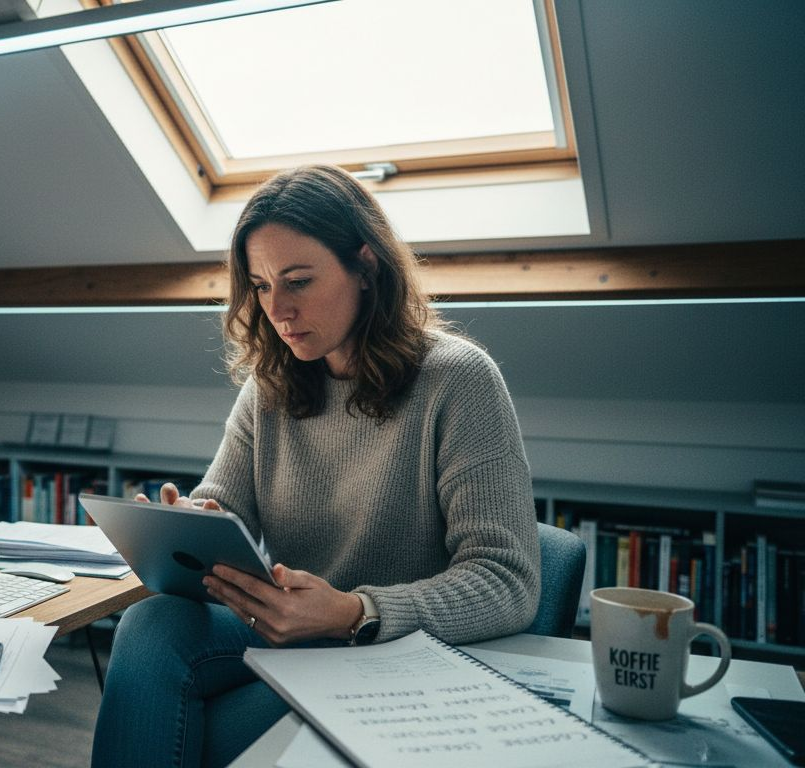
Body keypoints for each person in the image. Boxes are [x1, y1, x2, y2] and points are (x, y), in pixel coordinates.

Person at [90, 165, 541, 768]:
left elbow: (508, 582)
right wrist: (189, 525)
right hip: (286, 626)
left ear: (366, 266)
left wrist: (355, 612)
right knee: (152, 624)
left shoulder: (458, 380)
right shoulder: (269, 385)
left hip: (391, 649)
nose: (277, 309)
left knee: (194, 732)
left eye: (298, 281)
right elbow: (225, 505)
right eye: (260, 286)